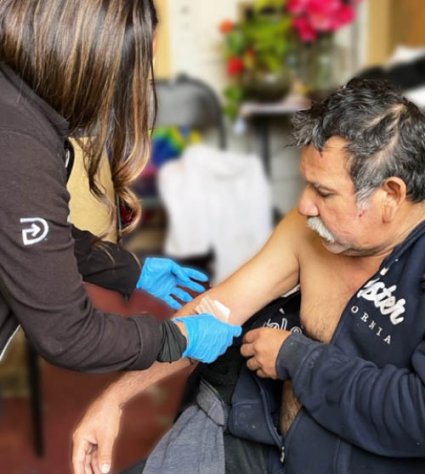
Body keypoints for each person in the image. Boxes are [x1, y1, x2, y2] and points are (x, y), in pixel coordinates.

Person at [72, 78, 425, 474]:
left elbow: (415, 414)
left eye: (323, 193)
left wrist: (294, 356)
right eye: (306, 184)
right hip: (265, 445)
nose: (304, 205)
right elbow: (218, 310)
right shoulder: (306, 231)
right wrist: (115, 398)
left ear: (391, 196)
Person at [0, 0, 241, 378]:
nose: (126, 90)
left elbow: (21, 234)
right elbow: (68, 335)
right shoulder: (16, 142)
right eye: (130, 72)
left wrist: (128, 270)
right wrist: (175, 337)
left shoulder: (17, 107)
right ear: (93, 58)